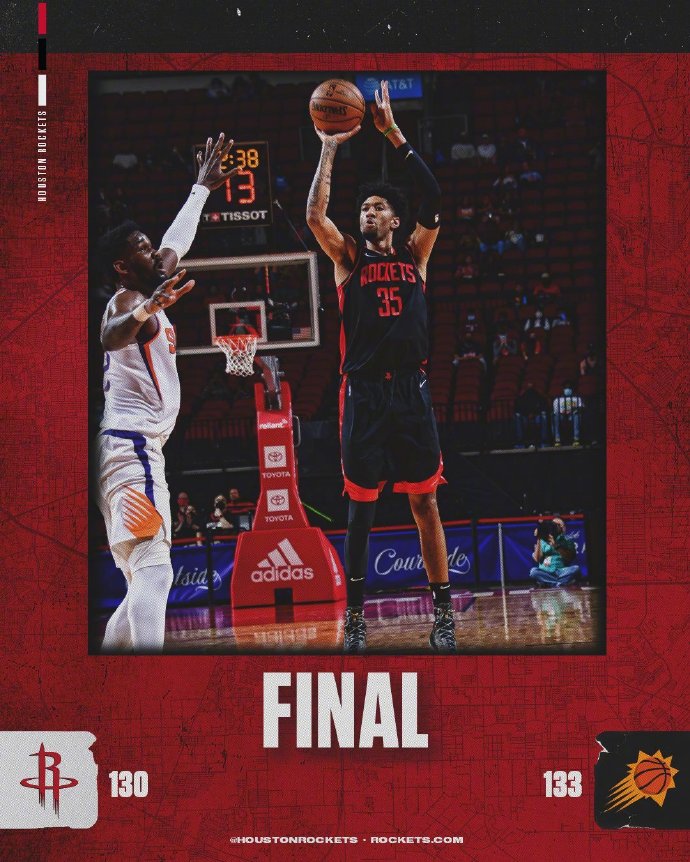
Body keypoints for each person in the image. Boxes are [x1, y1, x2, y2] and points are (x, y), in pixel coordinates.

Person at [306, 80, 455, 654]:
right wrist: (329, 147)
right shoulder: (348, 259)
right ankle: (355, 618)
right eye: (364, 207)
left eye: (377, 207)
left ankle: (443, 615)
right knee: (361, 510)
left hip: (411, 393)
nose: (368, 211)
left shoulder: (417, 253)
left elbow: (433, 194)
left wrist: (393, 133)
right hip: (364, 395)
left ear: (395, 220)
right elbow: (315, 214)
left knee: (425, 502)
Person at [96, 132, 238, 653]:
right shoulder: (126, 300)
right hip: (131, 450)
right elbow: (110, 336)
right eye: (142, 248)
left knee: (143, 578)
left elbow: (177, 242)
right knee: (156, 572)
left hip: (126, 449)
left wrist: (201, 188)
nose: (154, 250)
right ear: (122, 266)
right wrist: (146, 308)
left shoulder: (150, 283)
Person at [514, 383, 549, 448]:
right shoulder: (521, 398)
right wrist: (527, 414)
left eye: (531, 387)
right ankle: (520, 442)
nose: (530, 389)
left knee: (544, 416)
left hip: (537, 415)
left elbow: (543, 407)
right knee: (517, 416)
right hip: (525, 416)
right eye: (528, 387)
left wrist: (534, 413)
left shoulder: (539, 397)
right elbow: (518, 408)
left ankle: (544, 441)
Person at [552, 382, 583, 446]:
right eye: (566, 388)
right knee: (556, 416)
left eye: (569, 388)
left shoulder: (577, 398)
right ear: (563, 389)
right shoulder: (558, 399)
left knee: (577, 416)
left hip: (572, 416)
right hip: (561, 416)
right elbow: (555, 411)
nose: (567, 389)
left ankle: (576, 438)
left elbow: (581, 407)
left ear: (572, 389)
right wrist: (562, 412)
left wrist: (572, 410)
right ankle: (557, 439)